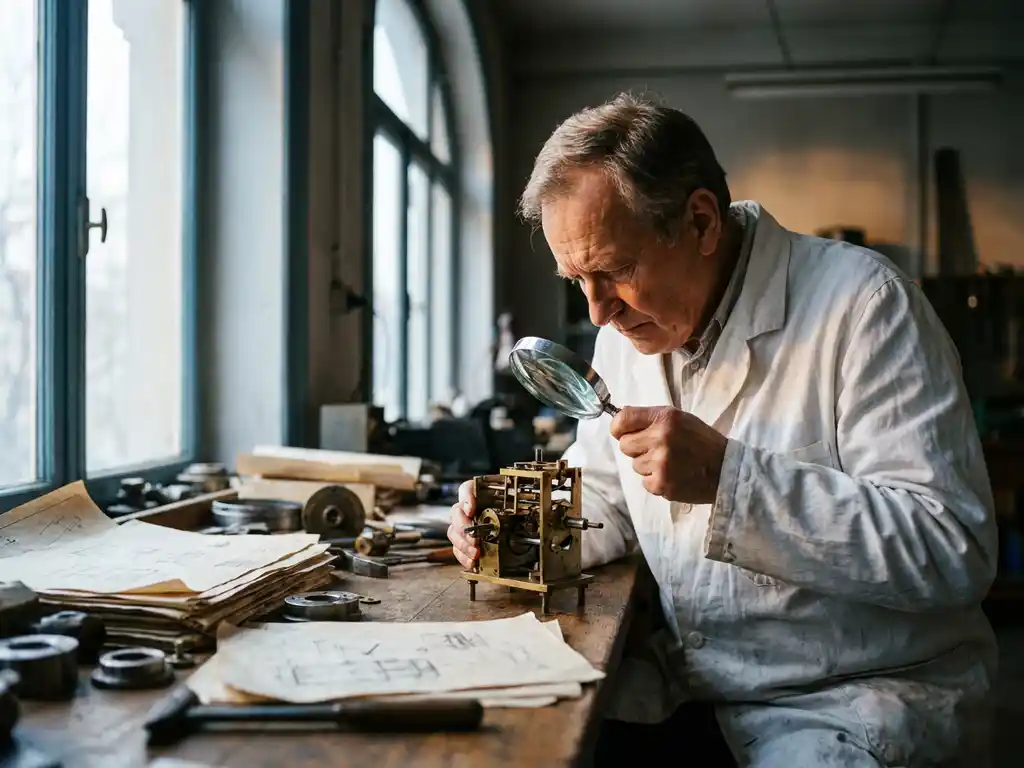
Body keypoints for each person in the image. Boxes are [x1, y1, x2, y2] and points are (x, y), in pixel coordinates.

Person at [447, 92, 999, 766]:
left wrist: (732, 480)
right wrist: (517, 525)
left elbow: (951, 551)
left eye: (615, 271)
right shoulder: (630, 329)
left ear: (701, 221)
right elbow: (608, 500)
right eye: (576, 280)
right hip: (701, 686)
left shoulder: (865, 307)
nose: (596, 314)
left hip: (857, 698)